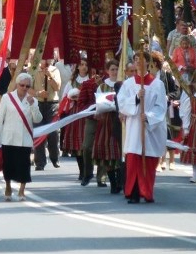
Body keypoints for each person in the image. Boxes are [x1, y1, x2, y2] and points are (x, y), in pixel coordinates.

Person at [117, 51, 167, 204]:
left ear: (147, 62)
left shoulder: (157, 84)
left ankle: (146, 191)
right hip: (134, 126)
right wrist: (137, 98)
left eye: (141, 59)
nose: (138, 62)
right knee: (133, 160)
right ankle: (133, 192)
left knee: (148, 160)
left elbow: (161, 107)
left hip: (148, 128)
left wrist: (149, 116)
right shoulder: (128, 83)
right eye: (136, 59)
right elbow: (122, 103)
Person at [0, 73, 42, 201]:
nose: (24, 88)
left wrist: (33, 105)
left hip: (25, 138)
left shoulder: (33, 100)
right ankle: (8, 186)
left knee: (24, 165)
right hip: (9, 137)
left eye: (27, 86)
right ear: (17, 84)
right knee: (8, 164)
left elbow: (37, 119)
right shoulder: (7, 97)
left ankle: (22, 190)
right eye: (22, 85)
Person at [92, 59, 122, 193]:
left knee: (120, 152)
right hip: (106, 121)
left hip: (121, 120)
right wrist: (98, 113)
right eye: (112, 69)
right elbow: (99, 104)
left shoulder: (124, 84)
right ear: (107, 71)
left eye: (116, 69)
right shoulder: (102, 87)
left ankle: (120, 180)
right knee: (109, 152)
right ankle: (113, 182)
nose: (115, 72)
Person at [61, 58, 90, 178]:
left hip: (87, 112)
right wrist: (72, 98)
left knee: (86, 144)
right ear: (77, 67)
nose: (83, 67)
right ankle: (81, 171)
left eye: (86, 65)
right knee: (77, 144)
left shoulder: (91, 80)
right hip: (75, 114)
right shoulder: (72, 82)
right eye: (81, 64)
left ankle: (87, 170)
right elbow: (64, 97)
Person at [32, 59, 62, 171]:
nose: (46, 61)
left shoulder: (55, 70)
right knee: (39, 132)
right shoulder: (34, 70)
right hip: (38, 104)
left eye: (48, 59)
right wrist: (37, 93)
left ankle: (55, 158)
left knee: (53, 132)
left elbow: (57, 87)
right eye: (44, 59)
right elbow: (28, 88)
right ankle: (40, 162)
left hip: (52, 104)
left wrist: (50, 76)